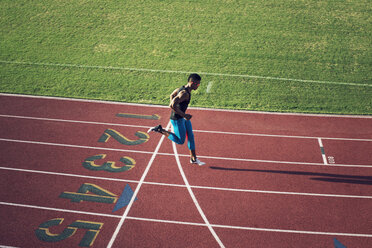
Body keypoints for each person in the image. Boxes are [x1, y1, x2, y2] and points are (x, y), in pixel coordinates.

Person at [148, 73, 205, 166]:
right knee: (180, 141)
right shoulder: (184, 93)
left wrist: (180, 110)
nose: (198, 86)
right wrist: (183, 114)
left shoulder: (181, 89)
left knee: (191, 136)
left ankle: (193, 158)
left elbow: (172, 95)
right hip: (177, 119)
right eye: (197, 84)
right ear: (191, 83)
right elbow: (171, 105)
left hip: (182, 117)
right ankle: (160, 130)